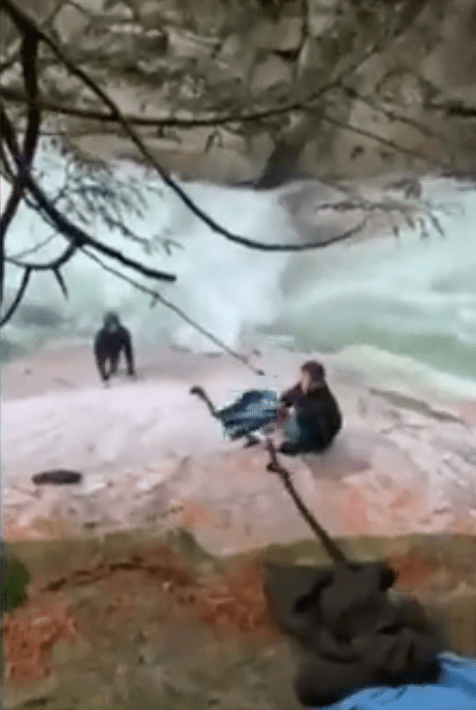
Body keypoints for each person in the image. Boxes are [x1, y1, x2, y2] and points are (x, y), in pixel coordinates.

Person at [276, 360, 342, 455]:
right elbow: (287, 397)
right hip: (321, 432)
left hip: (317, 442)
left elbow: (310, 445)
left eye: (303, 377)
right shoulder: (317, 390)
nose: (300, 379)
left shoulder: (312, 409)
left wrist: (282, 446)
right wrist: (283, 406)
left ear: (308, 379)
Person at [93, 312, 135, 383]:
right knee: (104, 365)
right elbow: (98, 356)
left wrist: (130, 369)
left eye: (114, 324)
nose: (113, 327)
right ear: (106, 325)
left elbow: (128, 352)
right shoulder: (100, 335)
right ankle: (108, 375)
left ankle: (113, 370)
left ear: (118, 323)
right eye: (110, 325)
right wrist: (103, 374)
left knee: (114, 368)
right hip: (104, 349)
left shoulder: (123, 333)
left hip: (116, 350)